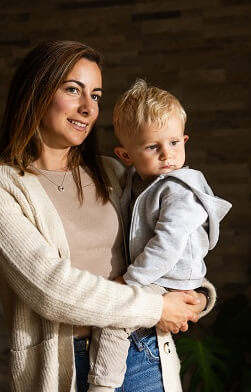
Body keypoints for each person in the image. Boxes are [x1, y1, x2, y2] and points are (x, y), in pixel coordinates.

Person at [0, 40, 216, 392]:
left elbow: (165, 238)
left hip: (145, 354)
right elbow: (51, 290)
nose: (88, 108)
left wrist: (195, 296)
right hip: (67, 366)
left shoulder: (113, 173)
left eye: (96, 96)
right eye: (73, 90)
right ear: (35, 92)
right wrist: (155, 307)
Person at [86, 80, 232, 391]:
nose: (168, 155)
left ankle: (101, 386)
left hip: (168, 276)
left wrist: (130, 281)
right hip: (160, 276)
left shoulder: (178, 189)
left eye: (175, 143)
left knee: (115, 321)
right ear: (126, 156)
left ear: (185, 140)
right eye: (153, 147)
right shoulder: (136, 181)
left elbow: (167, 244)